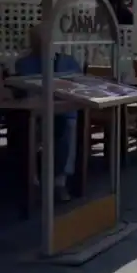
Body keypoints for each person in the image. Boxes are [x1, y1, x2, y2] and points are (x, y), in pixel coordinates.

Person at [14, 25, 81, 202]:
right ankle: (32, 180)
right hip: (35, 113)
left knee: (68, 126)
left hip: (63, 112)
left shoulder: (67, 61)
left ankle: (60, 182)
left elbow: (80, 86)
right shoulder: (24, 62)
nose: (41, 44)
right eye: (36, 40)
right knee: (26, 129)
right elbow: (18, 89)